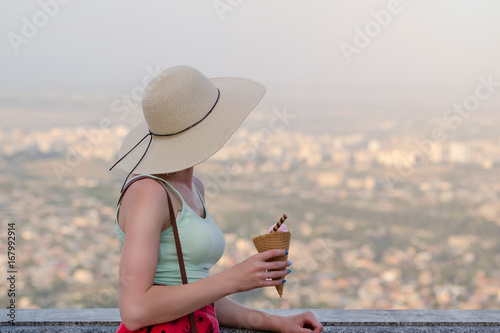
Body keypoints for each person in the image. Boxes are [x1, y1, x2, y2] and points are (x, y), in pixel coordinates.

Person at [110, 65, 323, 333]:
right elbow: (135, 311)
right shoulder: (149, 192)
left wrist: (275, 321)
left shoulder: (194, 186)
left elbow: (197, 300)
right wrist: (233, 279)